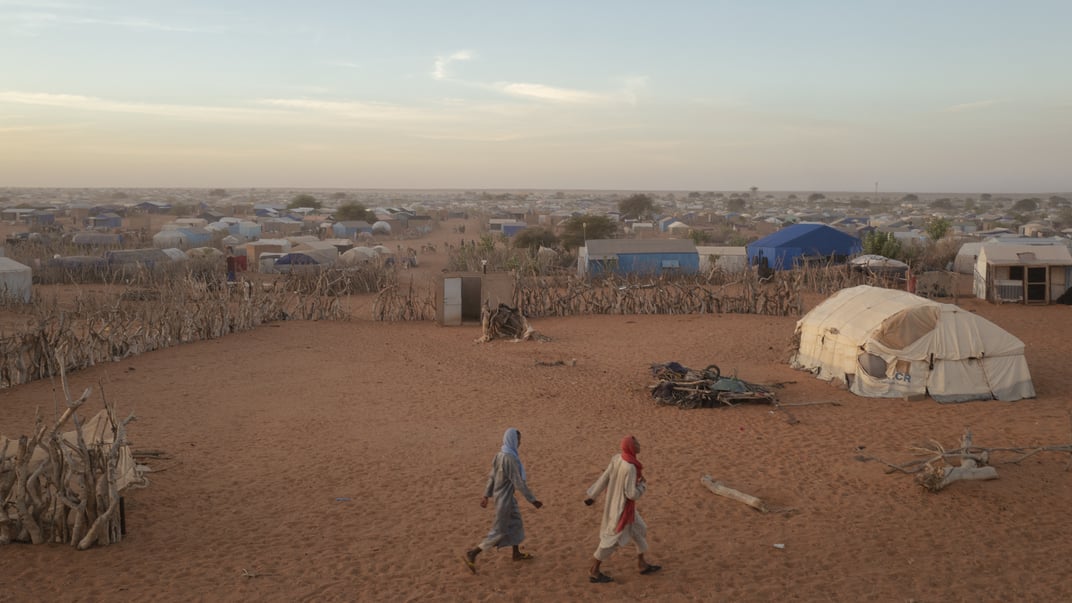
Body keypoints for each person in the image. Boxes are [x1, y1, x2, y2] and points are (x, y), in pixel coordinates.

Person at [583, 435, 661, 584]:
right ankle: (594, 570)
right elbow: (631, 494)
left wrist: (592, 495)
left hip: (623, 507)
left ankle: (642, 564)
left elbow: (604, 477)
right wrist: (642, 486)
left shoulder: (617, 458)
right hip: (621, 510)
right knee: (610, 540)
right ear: (631, 447)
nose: (639, 445)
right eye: (636, 444)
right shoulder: (630, 467)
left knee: (640, 529)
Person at [463, 428, 543, 573]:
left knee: (516, 524)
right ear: (513, 440)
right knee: (499, 532)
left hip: (506, 498)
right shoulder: (509, 459)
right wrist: (533, 500)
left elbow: (491, 477)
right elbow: (519, 483)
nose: (519, 442)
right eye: (518, 439)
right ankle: (473, 553)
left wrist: (486, 495)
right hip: (504, 500)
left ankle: (516, 553)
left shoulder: (499, 455)